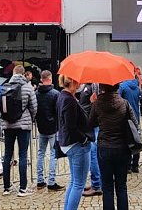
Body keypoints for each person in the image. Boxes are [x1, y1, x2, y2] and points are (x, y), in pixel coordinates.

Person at [89, 83, 138, 210]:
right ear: (117, 87)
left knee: (107, 186)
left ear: (103, 88)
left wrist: (92, 104)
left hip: (104, 147)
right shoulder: (124, 103)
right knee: (122, 186)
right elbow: (135, 123)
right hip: (122, 148)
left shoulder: (97, 103)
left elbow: (91, 123)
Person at [58, 74, 94, 210]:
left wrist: (90, 103)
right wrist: (84, 138)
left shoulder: (64, 97)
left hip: (69, 143)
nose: (80, 84)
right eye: (78, 82)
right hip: (77, 145)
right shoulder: (69, 100)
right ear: (73, 82)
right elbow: (71, 125)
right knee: (79, 184)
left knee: (74, 181)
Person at [1, 65, 37, 197]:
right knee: (23, 155)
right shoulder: (27, 87)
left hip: (8, 126)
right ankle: (23, 188)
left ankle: (6, 187)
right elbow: (34, 106)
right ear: (23, 74)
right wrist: (30, 119)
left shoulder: (5, 87)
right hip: (23, 126)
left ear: (13, 73)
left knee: (7, 155)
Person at [36, 70, 63, 191]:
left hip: (41, 127)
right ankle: (51, 181)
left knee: (41, 153)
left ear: (42, 79)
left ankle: (40, 180)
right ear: (50, 79)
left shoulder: (37, 93)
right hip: (53, 127)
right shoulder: (55, 94)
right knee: (53, 154)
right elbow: (59, 111)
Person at [78, 83, 103, 197]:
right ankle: (97, 183)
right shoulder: (89, 87)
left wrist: (81, 108)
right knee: (94, 155)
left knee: (94, 156)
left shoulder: (93, 87)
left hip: (92, 125)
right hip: (91, 125)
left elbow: (93, 106)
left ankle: (97, 185)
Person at [118, 75, 142, 173]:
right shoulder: (137, 87)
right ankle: (135, 165)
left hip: (125, 118)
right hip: (135, 116)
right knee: (136, 140)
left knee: (126, 143)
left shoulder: (122, 87)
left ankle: (127, 166)